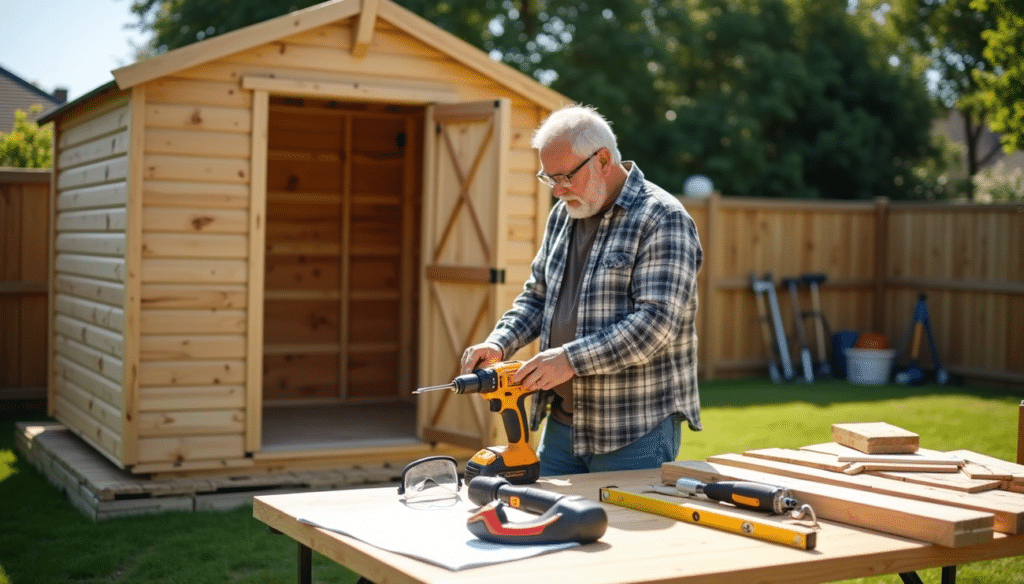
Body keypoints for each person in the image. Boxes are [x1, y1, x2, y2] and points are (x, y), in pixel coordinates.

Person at [460, 104, 703, 476]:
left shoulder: (662, 218)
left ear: (603, 159)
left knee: (626, 535)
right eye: (548, 178)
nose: (557, 191)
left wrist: (569, 360)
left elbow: (655, 325)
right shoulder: (565, 214)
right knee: (551, 528)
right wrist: (499, 342)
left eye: (564, 177)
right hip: (563, 427)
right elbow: (537, 296)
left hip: (634, 431)